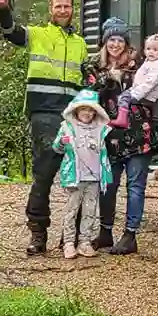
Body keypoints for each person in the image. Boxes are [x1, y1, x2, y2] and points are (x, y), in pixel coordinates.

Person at [0, 0, 91, 256]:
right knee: (44, 175)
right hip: (44, 115)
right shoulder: (37, 34)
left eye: (67, 6)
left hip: (74, 117)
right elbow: (11, 32)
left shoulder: (80, 44)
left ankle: (70, 237)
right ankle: (38, 235)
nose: (63, 10)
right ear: (50, 10)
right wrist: (4, 9)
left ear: (73, 10)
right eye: (58, 6)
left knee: (79, 178)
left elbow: (88, 77)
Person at [81, 18, 158, 256]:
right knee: (108, 185)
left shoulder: (141, 64)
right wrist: (108, 77)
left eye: (120, 40)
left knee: (135, 186)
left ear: (126, 43)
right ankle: (105, 231)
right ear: (105, 42)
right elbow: (88, 92)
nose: (115, 44)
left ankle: (130, 235)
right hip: (109, 134)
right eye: (111, 39)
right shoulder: (95, 66)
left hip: (139, 133)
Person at [51, 89, 113, 259]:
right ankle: (69, 242)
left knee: (90, 210)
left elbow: (103, 153)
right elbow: (56, 148)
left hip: (93, 177)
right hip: (75, 177)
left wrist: (104, 175)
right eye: (84, 109)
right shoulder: (68, 128)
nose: (87, 113)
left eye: (91, 110)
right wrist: (62, 142)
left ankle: (84, 242)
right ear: (76, 110)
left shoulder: (100, 129)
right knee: (72, 210)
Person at [109, 32, 158, 128]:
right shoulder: (150, 62)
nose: (151, 52)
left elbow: (150, 83)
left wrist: (136, 94)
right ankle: (124, 118)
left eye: (155, 49)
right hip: (141, 91)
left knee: (126, 100)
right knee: (121, 98)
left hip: (147, 95)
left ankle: (122, 120)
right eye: (148, 49)